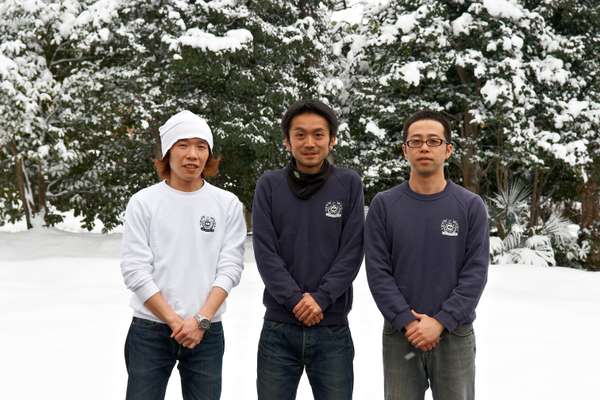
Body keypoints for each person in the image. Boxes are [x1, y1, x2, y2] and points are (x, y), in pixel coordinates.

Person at [120, 110, 246, 400]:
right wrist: (176, 322)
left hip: (207, 331)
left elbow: (230, 268)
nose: (193, 155)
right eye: (183, 145)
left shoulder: (226, 204)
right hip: (150, 330)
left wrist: (201, 320)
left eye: (201, 146)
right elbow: (135, 270)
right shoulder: (144, 203)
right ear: (167, 152)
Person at [365, 110, 489, 400]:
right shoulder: (384, 205)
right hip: (400, 334)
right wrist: (408, 321)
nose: (424, 147)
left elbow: (476, 272)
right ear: (405, 149)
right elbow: (378, 272)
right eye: (416, 141)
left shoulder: (470, 206)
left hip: (454, 334)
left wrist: (441, 321)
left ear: (448, 150)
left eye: (433, 141)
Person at [252, 100, 364, 400]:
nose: (310, 142)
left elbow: (351, 251)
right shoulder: (269, 185)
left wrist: (321, 299)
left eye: (318, 134)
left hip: (332, 328)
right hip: (278, 327)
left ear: (332, 139)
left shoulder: (349, 184)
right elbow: (265, 251)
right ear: (287, 141)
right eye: (300, 135)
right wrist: (294, 299)